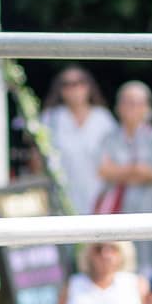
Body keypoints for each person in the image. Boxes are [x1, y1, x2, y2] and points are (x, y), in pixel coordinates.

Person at [98, 81, 152, 269]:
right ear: (118, 106)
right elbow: (104, 171)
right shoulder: (109, 137)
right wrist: (137, 169)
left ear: (147, 107)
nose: (131, 108)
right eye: (127, 102)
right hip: (119, 214)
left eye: (137, 103)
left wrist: (120, 171)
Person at [43, 65, 117, 215]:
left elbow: (115, 160)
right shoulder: (50, 118)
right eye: (66, 84)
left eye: (79, 82)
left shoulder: (103, 118)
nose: (73, 88)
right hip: (60, 196)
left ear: (88, 86)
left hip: (99, 197)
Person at [55, 241, 145, 304]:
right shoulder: (73, 285)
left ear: (122, 253)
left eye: (113, 248)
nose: (105, 255)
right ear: (88, 254)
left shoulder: (137, 283)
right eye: (98, 249)